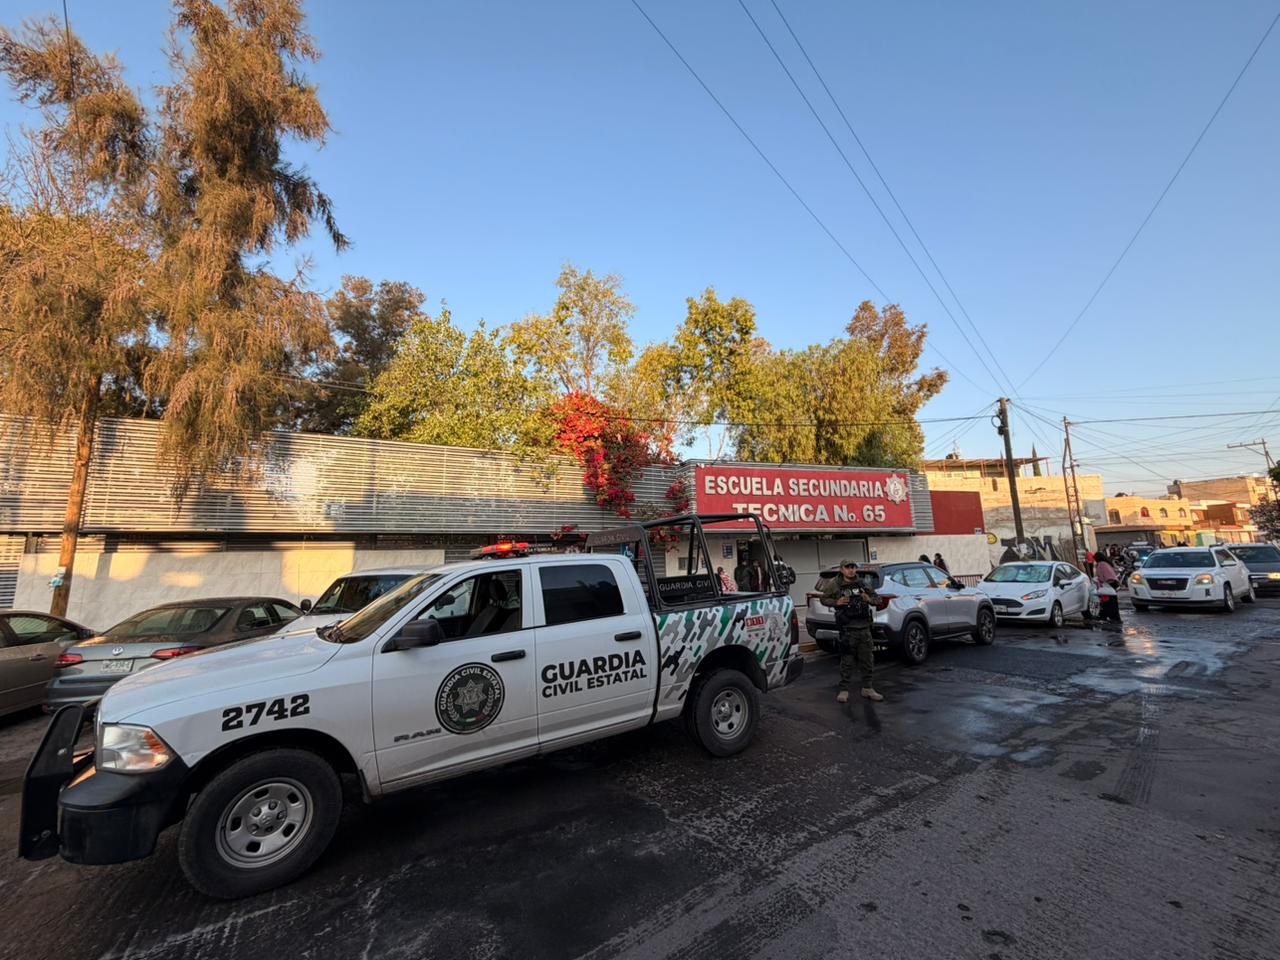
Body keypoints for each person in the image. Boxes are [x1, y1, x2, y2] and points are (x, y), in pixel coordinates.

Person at [820, 559, 882, 703]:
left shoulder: (862, 583)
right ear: (842, 569)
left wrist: (869, 599)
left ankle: (867, 688)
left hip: (864, 628)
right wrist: (836, 602)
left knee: (867, 660)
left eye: (853, 567)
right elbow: (824, 599)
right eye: (847, 567)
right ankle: (844, 689)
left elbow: (877, 599)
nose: (851, 570)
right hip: (847, 629)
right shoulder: (835, 584)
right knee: (847, 661)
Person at [1093, 553, 1122, 623]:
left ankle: (1107, 616)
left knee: (1107, 602)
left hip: (1107, 584)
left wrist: (1097, 581)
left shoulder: (1100, 564)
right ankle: (1112, 617)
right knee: (1112, 602)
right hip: (1112, 583)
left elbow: (1101, 577)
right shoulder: (1106, 563)